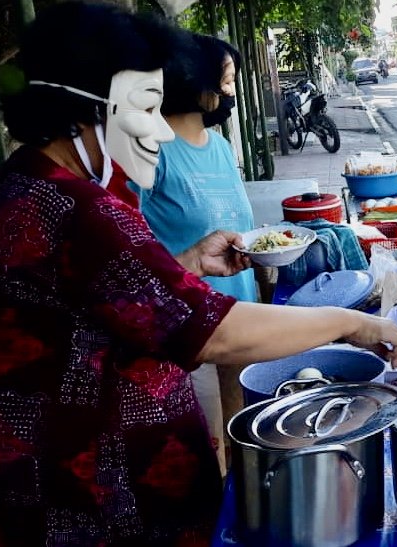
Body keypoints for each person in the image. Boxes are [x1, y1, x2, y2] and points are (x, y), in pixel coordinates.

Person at [0, 3, 397, 545]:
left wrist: (185, 264)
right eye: (144, 109)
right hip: (90, 494)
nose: (159, 133)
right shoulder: (79, 207)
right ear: (87, 108)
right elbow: (218, 333)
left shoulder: (29, 183)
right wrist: (351, 324)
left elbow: (93, 304)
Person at [135, 32, 254, 477]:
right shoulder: (151, 153)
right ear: (189, 79)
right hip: (188, 332)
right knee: (208, 459)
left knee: (245, 446)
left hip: (240, 317)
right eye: (225, 81)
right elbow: (132, 250)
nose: (231, 93)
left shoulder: (221, 148)